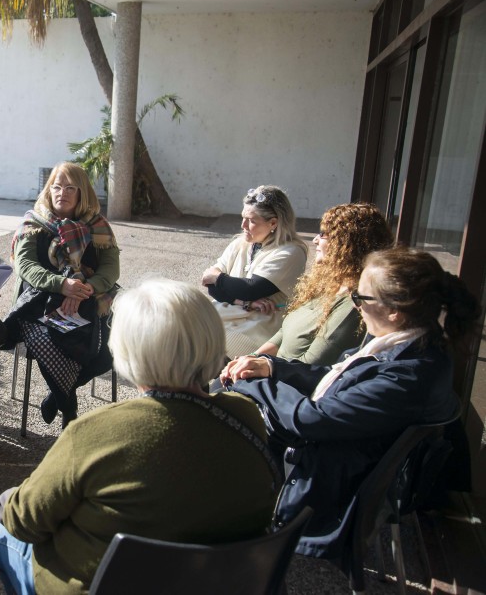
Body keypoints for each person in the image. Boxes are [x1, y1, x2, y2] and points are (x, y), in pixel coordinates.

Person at [0, 279, 280, 595]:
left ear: (126, 350)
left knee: (2, 536)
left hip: (107, 583)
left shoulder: (96, 432)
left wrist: (6, 499)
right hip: (223, 582)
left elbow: (24, 520)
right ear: (211, 340)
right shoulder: (247, 416)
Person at [223, 246, 479, 557]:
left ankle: (217, 547)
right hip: (340, 455)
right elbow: (334, 374)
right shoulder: (408, 343)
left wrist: (259, 385)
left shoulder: (410, 375)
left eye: (361, 298)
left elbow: (312, 420)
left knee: (217, 432)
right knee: (219, 409)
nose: (356, 305)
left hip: (327, 484)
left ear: (394, 310)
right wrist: (273, 366)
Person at [6, 162, 120, 427]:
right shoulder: (33, 222)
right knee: (51, 343)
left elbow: (110, 267)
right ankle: (69, 411)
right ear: (49, 189)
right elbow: (25, 266)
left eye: (70, 188)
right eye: (57, 187)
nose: (62, 193)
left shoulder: (98, 226)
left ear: (82, 194)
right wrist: (62, 285)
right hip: (40, 303)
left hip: (91, 299)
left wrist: (86, 289)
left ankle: (56, 398)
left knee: (112, 348)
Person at [228, 203, 393, 367]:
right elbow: (282, 334)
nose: (314, 240)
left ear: (346, 244)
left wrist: (260, 366)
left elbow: (311, 365)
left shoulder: (353, 304)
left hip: (282, 383)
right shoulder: (326, 283)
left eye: (322, 234)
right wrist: (252, 357)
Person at [201, 185, 308, 357]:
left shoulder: (290, 252)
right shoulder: (240, 243)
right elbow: (212, 287)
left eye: (251, 221)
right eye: (243, 218)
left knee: (203, 348)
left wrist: (217, 277)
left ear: (273, 223)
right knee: (184, 331)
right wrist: (245, 302)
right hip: (230, 314)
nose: (243, 225)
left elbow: (250, 288)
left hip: (260, 326)